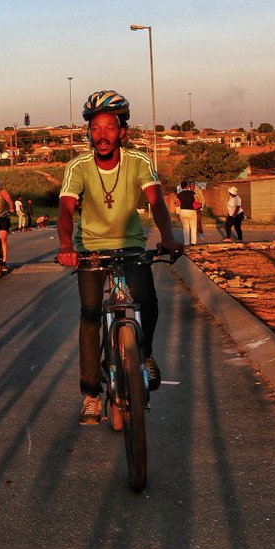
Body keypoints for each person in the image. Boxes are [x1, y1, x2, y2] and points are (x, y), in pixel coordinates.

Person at [56, 90, 182, 426]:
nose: (102, 135)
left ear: (122, 132)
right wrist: (67, 246)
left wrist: (168, 238)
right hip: (90, 249)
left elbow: (156, 202)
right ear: (89, 133)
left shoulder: (139, 163)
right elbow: (66, 210)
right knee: (90, 315)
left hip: (131, 247)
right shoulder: (77, 167)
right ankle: (91, 394)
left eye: (109, 128)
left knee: (148, 301)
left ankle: (147, 354)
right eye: (95, 129)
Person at [175, 179, 199, 246]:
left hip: (183, 211)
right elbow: (197, 201)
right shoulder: (192, 193)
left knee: (185, 228)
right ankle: (193, 242)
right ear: (187, 186)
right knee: (193, 227)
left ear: (182, 187)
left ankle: (186, 243)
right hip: (192, 211)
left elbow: (177, 203)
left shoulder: (179, 194)